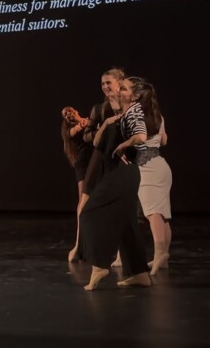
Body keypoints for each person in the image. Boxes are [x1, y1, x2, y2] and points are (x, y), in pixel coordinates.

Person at [79, 76, 151, 290]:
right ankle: (139, 274)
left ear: (135, 95)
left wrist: (123, 145)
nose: (118, 91)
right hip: (119, 173)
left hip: (123, 173)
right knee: (127, 224)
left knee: (89, 213)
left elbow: (141, 136)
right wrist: (108, 123)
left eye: (123, 88)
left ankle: (99, 265)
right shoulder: (119, 115)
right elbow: (97, 143)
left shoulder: (135, 110)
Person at [81, 67, 127, 267]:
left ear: (120, 83)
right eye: (103, 84)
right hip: (100, 158)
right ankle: (83, 248)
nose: (105, 87)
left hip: (121, 158)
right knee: (85, 203)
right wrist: (103, 126)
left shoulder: (130, 105)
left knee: (121, 207)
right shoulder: (99, 109)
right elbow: (87, 136)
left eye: (109, 82)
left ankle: (121, 254)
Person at [129, 77, 173, 276]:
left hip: (148, 167)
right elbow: (164, 140)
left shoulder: (137, 117)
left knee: (152, 212)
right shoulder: (158, 116)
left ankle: (161, 253)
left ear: (137, 96)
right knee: (162, 214)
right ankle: (162, 258)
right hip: (161, 167)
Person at [60, 106, 93, 262]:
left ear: (76, 110)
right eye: (65, 114)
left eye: (69, 110)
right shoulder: (71, 130)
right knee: (83, 201)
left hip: (93, 162)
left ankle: (88, 243)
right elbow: (78, 129)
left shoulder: (87, 119)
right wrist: (82, 124)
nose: (68, 113)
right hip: (83, 164)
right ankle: (79, 244)